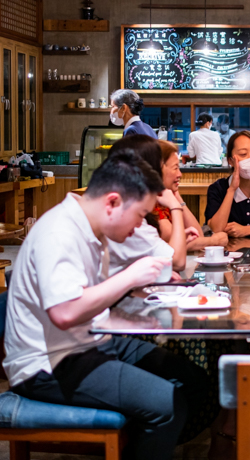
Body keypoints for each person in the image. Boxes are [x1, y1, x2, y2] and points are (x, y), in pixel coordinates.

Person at [3, 151, 209, 460]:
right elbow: (65, 312)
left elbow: (91, 300)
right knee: (168, 403)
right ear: (112, 201)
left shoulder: (92, 228)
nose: (140, 224)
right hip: (48, 363)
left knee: (194, 381)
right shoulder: (60, 232)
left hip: (89, 342)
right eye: (140, 214)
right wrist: (129, 277)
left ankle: (148, 444)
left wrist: (132, 321)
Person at [106, 135, 199, 275]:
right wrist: (175, 207)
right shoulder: (128, 217)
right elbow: (177, 261)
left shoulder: (133, 212)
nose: (179, 174)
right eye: (174, 168)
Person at [153, 140, 228, 251]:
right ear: (159, 169)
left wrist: (177, 197)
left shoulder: (165, 196)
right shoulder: (151, 201)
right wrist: (214, 241)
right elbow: (175, 243)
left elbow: (197, 234)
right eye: (175, 168)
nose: (180, 174)